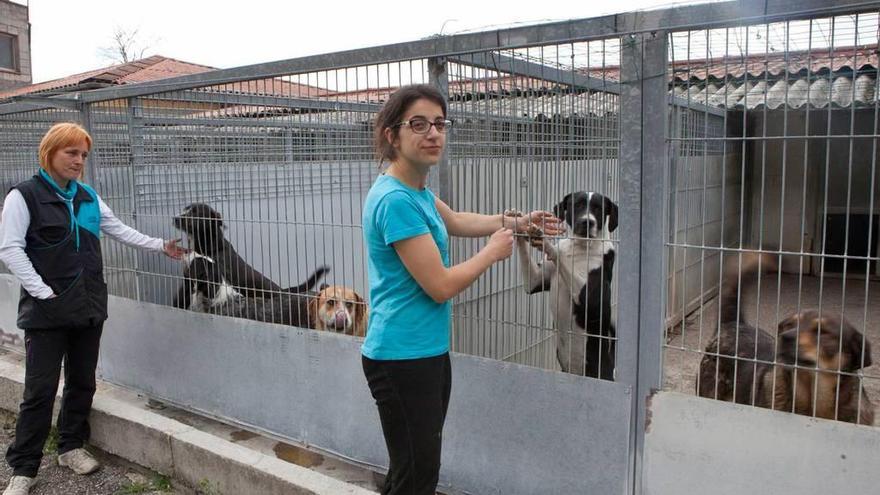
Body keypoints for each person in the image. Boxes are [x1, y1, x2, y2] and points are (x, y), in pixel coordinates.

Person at [361, 85, 564, 494]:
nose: (433, 133)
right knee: (414, 476)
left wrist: (516, 223)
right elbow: (439, 286)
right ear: (392, 134)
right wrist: (492, 253)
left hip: (426, 352)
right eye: (418, 124)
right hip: (401, 358)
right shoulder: (395, 201)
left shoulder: (415, 191)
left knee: (417, 471)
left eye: (440, 123)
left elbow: (456, 221)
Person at [0, 122, 187, 495]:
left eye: (83, 154)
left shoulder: (87, 196)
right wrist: (43, 292)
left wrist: (159, 245)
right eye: (71, 152)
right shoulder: (24, 196)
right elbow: (10, 249)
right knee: (39, 390)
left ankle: (70, 446)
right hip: (47, 312)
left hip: (88, 307)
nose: (79, 160)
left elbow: (118, 229)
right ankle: (24, 467)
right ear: (50, 152)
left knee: (83, 382)